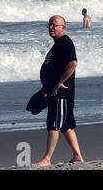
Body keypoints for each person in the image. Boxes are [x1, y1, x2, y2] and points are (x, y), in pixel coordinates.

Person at [31, 15, 84, 167]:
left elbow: (73, 63)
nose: (51, 27)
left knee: (53, 124)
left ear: (63, 27)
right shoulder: (58, 44)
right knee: (66, 125)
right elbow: (54, 68)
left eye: (54, 25)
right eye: (49, 25)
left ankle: (47, 159)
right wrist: (45, 87)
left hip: (61, 93)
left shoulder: (65, 43)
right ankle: (78, 156)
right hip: (53, 91)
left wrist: (60, 82)